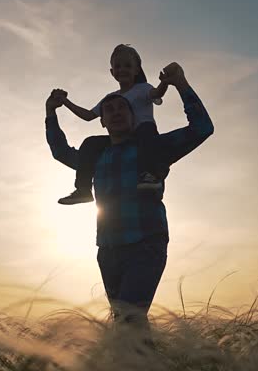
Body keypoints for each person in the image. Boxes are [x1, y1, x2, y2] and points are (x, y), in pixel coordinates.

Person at [45, 62, 213, 330]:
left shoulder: (152, 150)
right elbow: (61, 152)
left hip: (145, 244)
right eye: (109, 110)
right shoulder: (95, 156)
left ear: (135, 118)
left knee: (128, 318)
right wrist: (51, 113)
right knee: (127, 325)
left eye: (122, 108)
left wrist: (180, 84)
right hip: (108, 249)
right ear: (102, 121)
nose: (115, 113)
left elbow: (202, 128)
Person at [54, 44, 169, 205]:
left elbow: (157, 93)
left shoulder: (143, 89)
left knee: (146, 132)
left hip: (143, 134)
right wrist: (65, 102)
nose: (122, 69)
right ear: (112, 72)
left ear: (136, 70)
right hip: (120, 138)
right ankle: (83, 189)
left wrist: (165, 83)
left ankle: (151, 175)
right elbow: (88, 116)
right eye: (118, 66)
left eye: (127, 66)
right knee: (90, 143)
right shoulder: (111, 97)